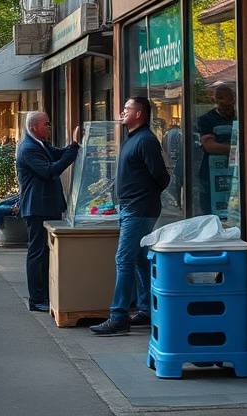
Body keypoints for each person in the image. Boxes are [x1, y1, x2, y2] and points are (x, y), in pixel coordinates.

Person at [91, 96, 170, 336]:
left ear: (139, 114)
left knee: (123, 260)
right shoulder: (132, 139)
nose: (122, 112)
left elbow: (162, 177)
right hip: (130, 208)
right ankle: (146, 309)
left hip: (139, 209)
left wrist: (143, 197)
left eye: (127, 109)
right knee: (137, 259)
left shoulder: (146, 140)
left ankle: (118, 316)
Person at [16, 111, 82, 312]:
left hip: (47, 206)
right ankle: (36, 298)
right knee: (37, 253)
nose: (49, 126)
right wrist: (73, 150)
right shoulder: (28, 148)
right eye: (47, 123)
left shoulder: (41, 144)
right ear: (35, 127)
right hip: (37, 207)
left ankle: (45, 293)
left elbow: (57, 154)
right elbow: (50, 170)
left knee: (46, 253)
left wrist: (73, 146)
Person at [197, 83, 236, 215]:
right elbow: (210, 146)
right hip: (210, 172)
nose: (228, 108)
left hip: (233, 172)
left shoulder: (238, 117)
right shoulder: (206, 120)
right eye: (224, 105)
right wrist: (234, 149)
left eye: (231, 104)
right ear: (216, 102)